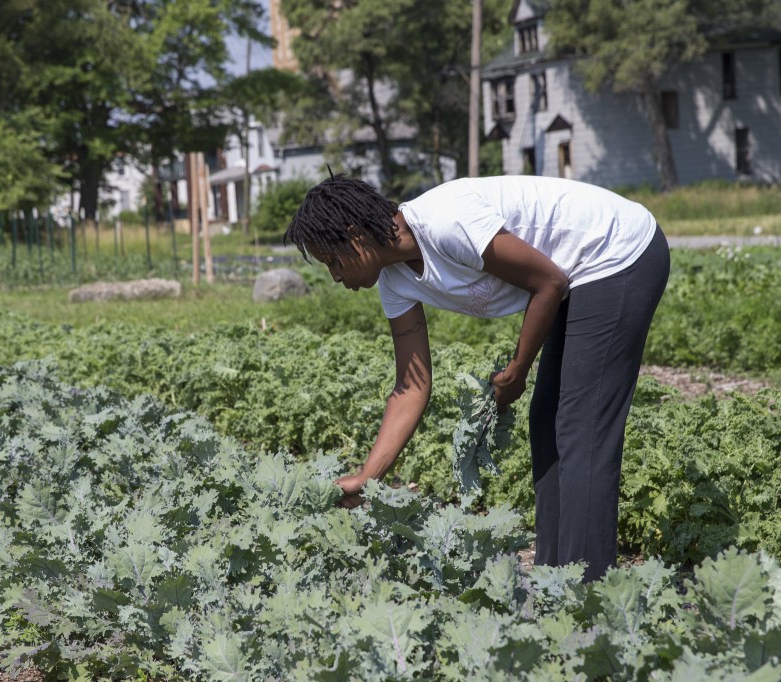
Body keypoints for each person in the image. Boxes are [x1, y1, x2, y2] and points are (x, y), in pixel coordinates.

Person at [284, 174, 670, 582]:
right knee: (547, 422)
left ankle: (589, 592)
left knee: (581, 426)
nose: (335, 276)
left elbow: (548, 282)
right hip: (573, 275)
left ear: (355, 237)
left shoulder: (445, 224)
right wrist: (368, 476)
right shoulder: (395, 281)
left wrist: (518, 371)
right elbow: (412, 385)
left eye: (332, 261)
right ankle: (555, 581)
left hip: (615, 251)